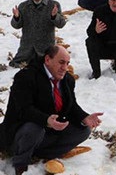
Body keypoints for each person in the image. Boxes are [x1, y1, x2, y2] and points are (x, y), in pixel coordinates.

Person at [0, 45, 103, 175]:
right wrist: (46, 120)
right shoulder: (26, 77)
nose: (64, 68)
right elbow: (24, 110)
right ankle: (21, 165)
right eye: (61, 62)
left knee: (83, 130)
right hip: (19, 135)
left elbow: (71, 106)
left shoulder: (67, 79)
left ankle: (41, 154)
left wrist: (84, 117)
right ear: (47, 60)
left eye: (67, 63)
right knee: (35, 128)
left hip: (48, 132)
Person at [9, 0, 66, 68]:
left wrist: (54, 16)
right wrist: (17, 17)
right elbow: (16, 25)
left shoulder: (53, 5)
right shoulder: (23, 6)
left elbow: (61, 24)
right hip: (27, 48)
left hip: (46, 48)